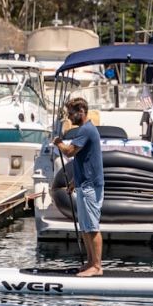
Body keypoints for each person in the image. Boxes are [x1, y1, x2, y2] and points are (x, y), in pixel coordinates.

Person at [53, 98, 104, 277]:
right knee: (85, 227)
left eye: (71, 113)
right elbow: (85, 160)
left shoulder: (87, 130)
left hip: (91, 187)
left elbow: (70, 152)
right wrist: (74, 182)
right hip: (83, 184)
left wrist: (58, 142)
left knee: (92, 227)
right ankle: (90, 262)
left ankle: (97, 266)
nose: (69, 117)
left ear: (81, 111)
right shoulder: (84, 130)